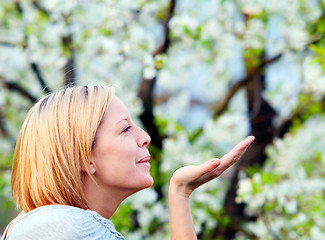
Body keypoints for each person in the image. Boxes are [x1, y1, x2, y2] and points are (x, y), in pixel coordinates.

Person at [0, 85, 254, 240]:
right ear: (83, 157)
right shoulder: (66, 228)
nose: (145, 137)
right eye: (125, 130)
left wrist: (180, 192)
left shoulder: (48, 225)